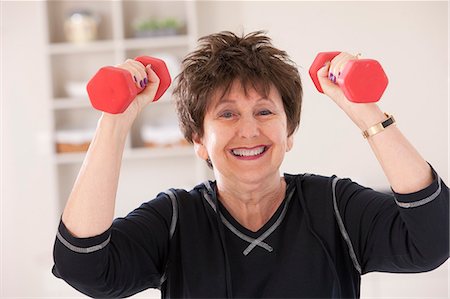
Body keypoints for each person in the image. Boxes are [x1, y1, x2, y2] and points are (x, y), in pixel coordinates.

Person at [52, 31, 449, 298]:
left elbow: (434, 241)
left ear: (289, 133)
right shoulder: (176, 217)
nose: (248, 130)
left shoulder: (334, 205)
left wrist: (364, 111)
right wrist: (116, 121)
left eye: (264, 111)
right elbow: (84, 266)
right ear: (199, 142)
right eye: (226, 115)